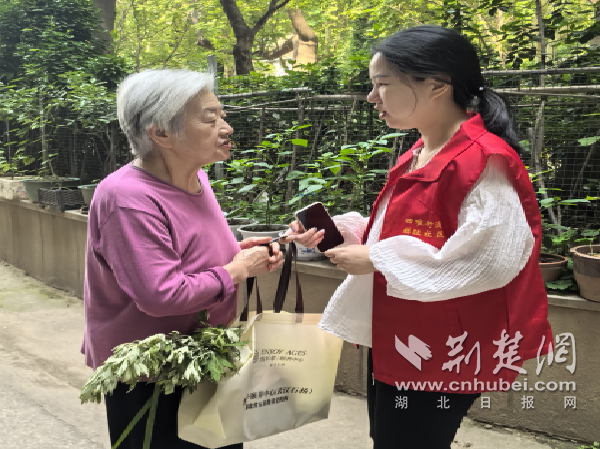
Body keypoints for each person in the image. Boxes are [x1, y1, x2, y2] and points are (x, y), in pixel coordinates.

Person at [284, 25, 553, 449]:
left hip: (442, 346)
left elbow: (490, 257)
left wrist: (378, 259)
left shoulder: (482, 160)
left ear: (437, 85)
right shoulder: (423, 151)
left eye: (383, 84)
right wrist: (343, 233)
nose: (372, 97)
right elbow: (405, 228)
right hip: (406, 332)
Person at [81, 69, 283, 449]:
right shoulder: (128, 199)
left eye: (222, 115)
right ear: (161, 133)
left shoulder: (196, 179)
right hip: (153, 376)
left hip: (208, 359)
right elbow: (161, 294)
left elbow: (187, 255)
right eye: (210, 118)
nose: (226, 128)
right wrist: (237, 270)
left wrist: (240, 253)